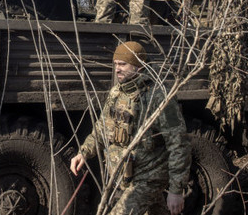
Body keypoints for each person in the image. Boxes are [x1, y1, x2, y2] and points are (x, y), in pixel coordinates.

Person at [70, 41, 190, 215]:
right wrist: (84, 152)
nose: (117, 69)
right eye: (116, 64)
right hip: (127, 176)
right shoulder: (116, 93)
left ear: (139, 66)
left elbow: (179, 143)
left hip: (150, 176)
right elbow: (102, 128)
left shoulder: (159, 96)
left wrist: (176, 190)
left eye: (123, 64)